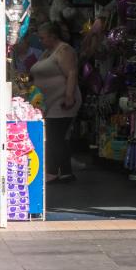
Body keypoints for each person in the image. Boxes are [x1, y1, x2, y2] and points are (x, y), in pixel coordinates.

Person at [31, 22, 80, 183]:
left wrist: (69, 96)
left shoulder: (64, 50)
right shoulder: (47, 52)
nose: (40, 40)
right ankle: (64, 172)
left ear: (52, 36)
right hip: (50, 102)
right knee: (56, 137)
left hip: (62, 100)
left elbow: (71, 73)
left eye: (42, 37)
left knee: (54, 136)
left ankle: (53, 171)